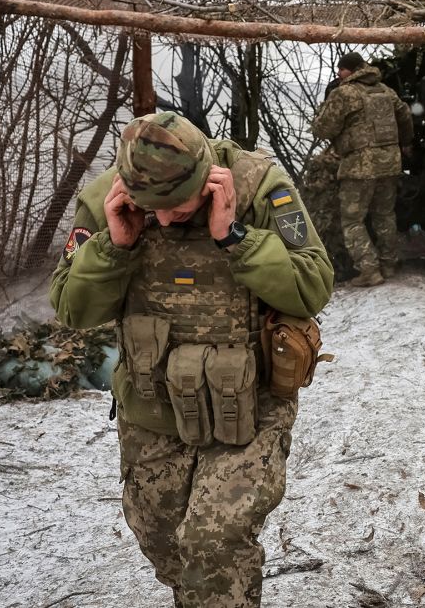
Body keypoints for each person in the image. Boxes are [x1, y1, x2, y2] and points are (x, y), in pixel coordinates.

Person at [49, 111, 333, 607]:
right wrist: (115, 248)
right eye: (149, 209)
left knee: (213, 542)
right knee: (160, 541)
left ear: (208, 179)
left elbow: (312, 287)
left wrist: (235, 238)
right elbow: (72, 309)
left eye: (178, 209)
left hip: (250, 403)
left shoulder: (260, 188)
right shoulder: (103, 201)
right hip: (151, 405)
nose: (162, 221)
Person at [311, 51, 414, 287]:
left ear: (351, 70)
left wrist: (321, 119)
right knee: (384, 214)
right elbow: (405, 115)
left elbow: (323, 129)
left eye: (341, 69)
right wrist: (405, 143)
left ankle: (369, 269)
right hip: (389, 163)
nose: (338, 73)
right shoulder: (386, 91)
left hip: (360, 166)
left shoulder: (344, 93)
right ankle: (389, 264)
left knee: (352, 220)